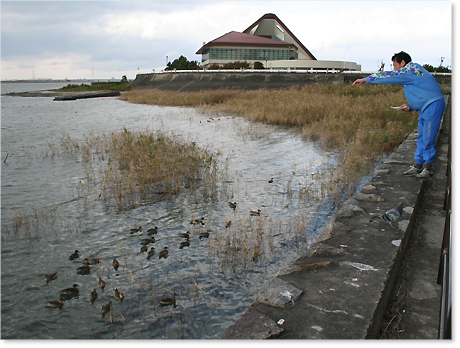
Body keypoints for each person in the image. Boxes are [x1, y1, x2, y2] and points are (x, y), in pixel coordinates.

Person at [353, 51, 446, 179]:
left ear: (402, 63)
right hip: (427, 106)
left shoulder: (410, 70)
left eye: (395, 64)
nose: (394, 68)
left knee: (428, 137)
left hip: (433, 105)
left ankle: (428, 167)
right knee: (421, 137)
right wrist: (410, 106)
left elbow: (388, 75)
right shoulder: (412, 72)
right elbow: (421, 91)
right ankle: (418, 165)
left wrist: (366, 79)